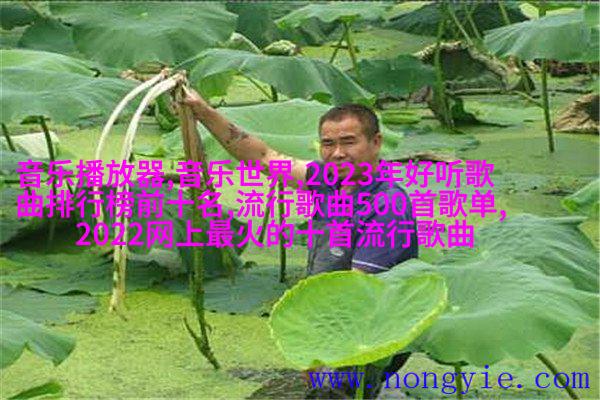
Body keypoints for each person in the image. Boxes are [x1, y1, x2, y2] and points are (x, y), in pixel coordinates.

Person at [181, 88, 418, 398]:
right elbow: (263, 156)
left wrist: (314, 349)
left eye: (349, 142)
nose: (337, 153)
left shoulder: (387, 204)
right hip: (329, 322)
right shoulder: (328, 180)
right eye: (328, 144)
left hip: (367, 334)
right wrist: (203, 111)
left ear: (376, 142)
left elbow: (358, 291)